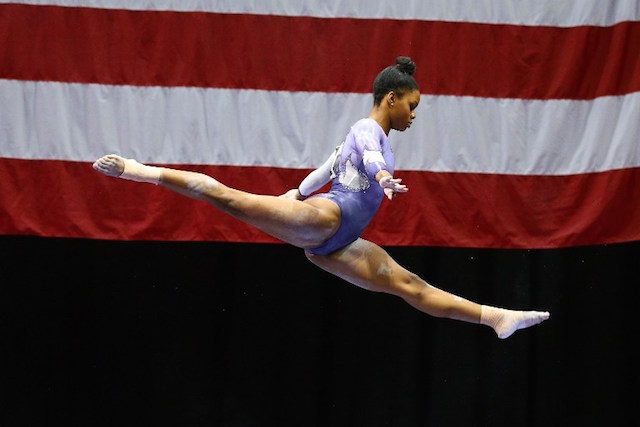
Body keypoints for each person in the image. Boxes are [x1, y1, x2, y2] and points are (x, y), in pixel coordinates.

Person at [93, 56, 549, 339]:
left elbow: (329, 166)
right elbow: (368, 157)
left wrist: (297, 190)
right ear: (391, 98)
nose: (414, 115)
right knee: (228, 199)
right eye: (412, 106)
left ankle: (495, 317)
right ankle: (137, 170)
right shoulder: (369, 131)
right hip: (326, 223)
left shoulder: (365, 134)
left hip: (338, 243)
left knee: (410, 286)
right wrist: (383, 177)